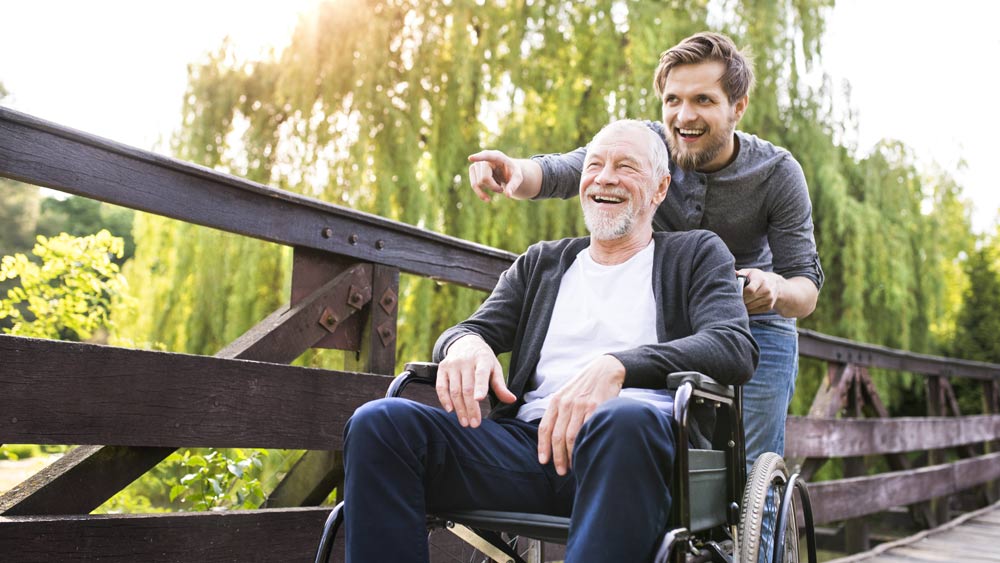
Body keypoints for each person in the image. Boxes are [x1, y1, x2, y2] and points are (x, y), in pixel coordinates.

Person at [343, 120, 758, 562]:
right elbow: (469, 329)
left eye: (626, 167)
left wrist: (617, 366)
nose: (605, 177)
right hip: (527, 448)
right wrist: (464, 345)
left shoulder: (695, 254)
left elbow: (733, 346)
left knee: (623, 419)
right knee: (380, 424)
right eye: (594, 165)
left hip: (636, 450)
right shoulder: (542, 263)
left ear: (659, 189)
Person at [467, 31, 823, 470]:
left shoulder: (777, 173)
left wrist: (774, 289)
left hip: (757, 324)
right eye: (672, 100)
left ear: (739, 107)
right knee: (671, 454)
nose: (684, 115)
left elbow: (806, 289)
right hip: (674, 317)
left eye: (703, 101)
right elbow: (564, 170)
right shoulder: (647, 147)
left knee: (750, 470)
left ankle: (752, 536)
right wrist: (511, 172)